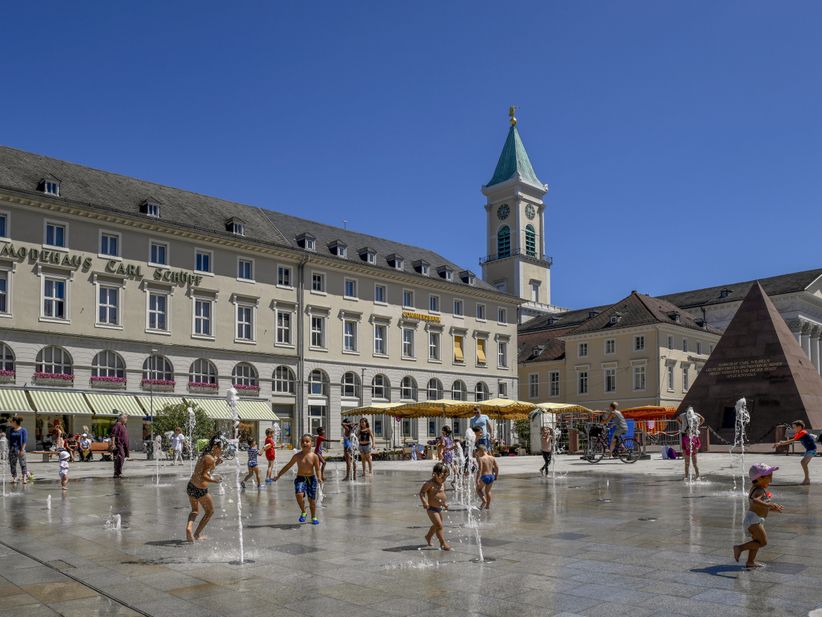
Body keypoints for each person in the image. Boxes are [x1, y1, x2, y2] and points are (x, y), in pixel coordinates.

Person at [733, 463, 783, 568]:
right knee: (763, 542)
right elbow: (755, 501)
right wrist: (769, 505)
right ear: (759, 478)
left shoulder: (758, 488)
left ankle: (750, 562)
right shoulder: (759, 490)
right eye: (769, 477)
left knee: (757, 542)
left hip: (755, 519)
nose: (771, 479)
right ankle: (739, 548)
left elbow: (761, 505)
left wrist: (772, 508)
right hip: (754, 520)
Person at [274, 434, 323, 525]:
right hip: (300, 478)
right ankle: (303, 511)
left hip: (311, 479)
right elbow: (288, 466)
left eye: (307, 441)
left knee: (312, 501)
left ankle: (313, 516)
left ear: (311, 443)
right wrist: (278, 475)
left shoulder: (314, 456)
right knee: (299, 495)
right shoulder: (297, 456)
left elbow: (317, 469)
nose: (304, 443)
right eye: (302, 441)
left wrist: (319, 477)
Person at [185, 434, 225, 542]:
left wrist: (216, 463)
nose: (222, 451)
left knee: (195, 511)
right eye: (221, 448)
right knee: (210, 511)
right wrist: (215, 481)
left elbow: (205, 471)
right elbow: (203, 475)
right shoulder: (210, 458)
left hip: (191, 486)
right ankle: (197, 534)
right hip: (200, 490)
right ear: (215, 447)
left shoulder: (205, 455)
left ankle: (189, 528)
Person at [419, 462, 451, 550]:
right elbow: (422, 493)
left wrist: (444, 504)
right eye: (442, 476)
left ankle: (428, 536)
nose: (444, 479)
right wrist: (425, 502)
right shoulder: (429, 483)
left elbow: (441, 495)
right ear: (434, 474)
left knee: (436, 525)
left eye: (446, 477)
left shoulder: (442, 483)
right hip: (431, 508)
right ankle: (443, 543)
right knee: (439, 526)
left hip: (439, 508)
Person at [774, 420, 816, 485]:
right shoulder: (799, 433)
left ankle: (807, 479)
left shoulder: (802, 432)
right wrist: (780, 443)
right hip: (809, 450)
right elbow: (792, 440)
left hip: (812, 450)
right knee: (804, 463)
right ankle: (807, 479)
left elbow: (792, 440)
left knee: (803, 462)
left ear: (799, 427)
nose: (793, 429)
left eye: (794, 427)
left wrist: (780, 443)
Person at [678, 407, 704, 480]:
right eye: (687, 431)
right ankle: (686, 476)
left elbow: (699, 444)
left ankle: (697, 476)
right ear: (686, 432)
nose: (689, 432)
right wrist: (683, 452)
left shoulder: (695, 437)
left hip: (694, 452)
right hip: (686, 452)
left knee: (695, 464)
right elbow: (683, 446)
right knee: (686, 464)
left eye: (690, 431)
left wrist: (697, 448)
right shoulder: (685, 438)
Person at [474, 445, 499, 509]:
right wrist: (496, 476)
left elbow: (480, 469)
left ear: (481, 451)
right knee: (488, 491)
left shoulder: (481, 458)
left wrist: (477, 479)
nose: (478, 453)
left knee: (478, 489)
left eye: (478, 452)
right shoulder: (492, 457)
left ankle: (484, 501)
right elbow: (496, 467)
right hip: (491, 476)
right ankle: (487, 506)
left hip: (484, 476)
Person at [7, 416, 27, 484]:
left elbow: (24, 441)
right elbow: (9, 440)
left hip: (20, 449)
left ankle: (24, 478)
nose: (10, 423)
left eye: (11, 422)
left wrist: (22, 450)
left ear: (14, 422)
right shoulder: (11, 430)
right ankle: (14, 477)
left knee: (23, 463)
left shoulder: (23, 430)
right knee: (12, 464)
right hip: (12, 449)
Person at [111, 414, 129, 479]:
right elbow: (113, 435)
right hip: (118, 444)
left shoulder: (123, 425)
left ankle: (116, 473)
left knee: (120, 458)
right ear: (121, 418)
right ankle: (118, 473)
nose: (126, 419)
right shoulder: (118, 425)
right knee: (120, 457)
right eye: (125, 418)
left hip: (123, 445)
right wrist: (113, 444)